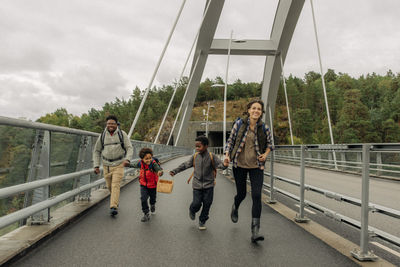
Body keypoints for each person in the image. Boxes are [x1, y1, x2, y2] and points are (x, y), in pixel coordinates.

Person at [224, 99, 273, 242]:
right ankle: (236, 205)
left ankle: (255, 232)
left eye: (259, 109)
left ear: (261, 112)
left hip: (257, 166)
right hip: (239, 165)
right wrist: (227, 155)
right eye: (254, 108)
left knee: (257, 195)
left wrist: (266, 154)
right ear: (249, 110)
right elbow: (230, 142)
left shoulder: (264, 127)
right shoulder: (239, 124)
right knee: (242, 193)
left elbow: (270, 144)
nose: (256, 111)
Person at [169, 136, 228, 230]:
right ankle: (192, 210)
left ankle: (202, 220)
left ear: (206, 146)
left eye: (199, 146)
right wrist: (175, 171)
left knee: (207, 203)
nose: (196, 148)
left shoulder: (212, 156)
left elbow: (220, 165)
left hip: (209, 185)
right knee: (196, 203)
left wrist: (225, 165)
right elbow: (185, 165)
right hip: (197, 185)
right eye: (196, 146)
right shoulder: (195, 156)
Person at [93, 115, 133, 216]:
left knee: (115, 185)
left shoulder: (122, 134)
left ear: (116, 124)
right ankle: (115, 201)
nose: (110, 125)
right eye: (108, 124)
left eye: (112, 123)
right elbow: (96, 151)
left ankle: (113, 207)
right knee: (109, 186)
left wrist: (127, 159)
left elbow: (129, 148)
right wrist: (96, 165)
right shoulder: (102, 135)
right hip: (106, 165)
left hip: (119, 164)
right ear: (106, 125)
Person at [130, 147, 163, 222]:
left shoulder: (153, 164)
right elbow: (134, 165)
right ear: (142, 159)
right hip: (143, 185)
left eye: (150, 158)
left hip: (153, 185)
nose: (148, 160)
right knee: (143, 199)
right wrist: (127, 164)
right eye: (146, 159)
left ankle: (152, 205)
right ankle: (146, 213)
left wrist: (160, 172)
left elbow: (159, 169)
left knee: (152, 198)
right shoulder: (140, 163)